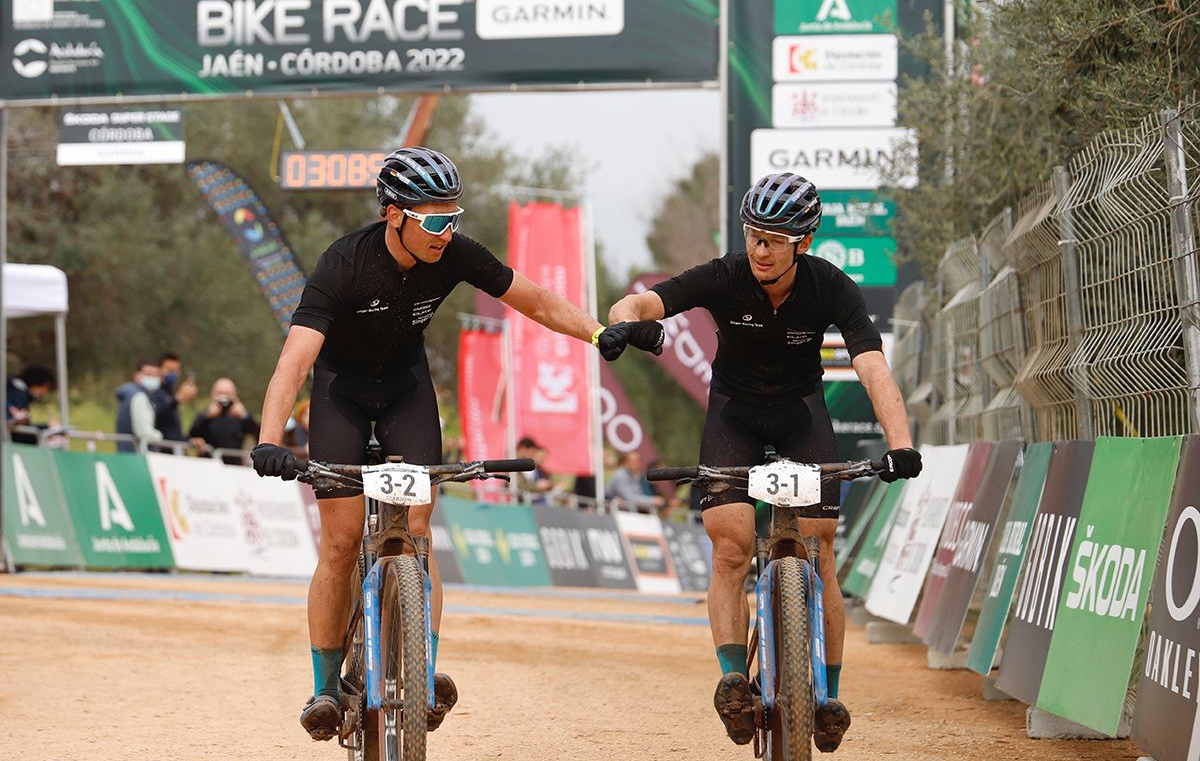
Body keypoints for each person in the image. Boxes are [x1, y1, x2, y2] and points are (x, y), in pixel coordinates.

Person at [248, 146, 664, 742]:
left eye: (454, 217)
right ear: (394, 214)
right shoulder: (343, 264)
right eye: (435, 220)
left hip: (406, 389)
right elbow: (293, 362)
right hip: (340, 392)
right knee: (340, 542)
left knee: (417, 531)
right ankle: (321, 689)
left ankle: (422, 668)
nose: (448, 232)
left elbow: (537, 302)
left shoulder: (456, 255)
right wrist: (269, 440)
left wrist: (598, 334)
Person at [605, 172, 922, 752]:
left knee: (821, 546)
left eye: (774, 239)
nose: (759, 249)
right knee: (730, 547)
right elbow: (648, 298)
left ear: (803, 241)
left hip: (801, 414)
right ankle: (731, 676)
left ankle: (826, 695)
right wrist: (623, 319)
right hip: (734, 415)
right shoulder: (726, 275)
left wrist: (899, 443)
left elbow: (873, 366)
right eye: (753, 235)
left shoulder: (832, 286)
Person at [188, 378, 260, 464]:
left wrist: (245, 415)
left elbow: (257, 433)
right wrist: (206, 416)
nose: (223, 397)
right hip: (207, 464)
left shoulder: (240, 416)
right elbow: (191, 434)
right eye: (220, 393)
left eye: (227, 393)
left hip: (233, 466)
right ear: (213, 394)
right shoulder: (205, 415)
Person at [114, 360, 163, 452]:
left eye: (156, 375)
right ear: (137, 376)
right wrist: (159, 436)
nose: (153, 378)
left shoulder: (130, 394)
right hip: (135, 454)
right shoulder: (139, 397)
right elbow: (144, 433)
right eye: (149, 374)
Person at [151, 351, 198, 443]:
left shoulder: (169, 394)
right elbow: (157, 415)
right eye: (169, 370)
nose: (173, 374)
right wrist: (177, 399)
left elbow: (172, 430)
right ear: (158, 369)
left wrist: (189, 440)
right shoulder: (153, 392)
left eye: (176, 370)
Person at [6, 364, 55, 444]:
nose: (45, 393)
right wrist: (48, 428)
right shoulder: (18, 394)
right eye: (46, 387)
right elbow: (19, 431)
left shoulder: (12, 388)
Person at [514, 435, 557, 502]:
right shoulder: (513, 466)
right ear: (522, 449)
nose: (531, 454)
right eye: (531, 451)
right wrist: (537, 487)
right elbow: (517, 485)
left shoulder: (539, 471)